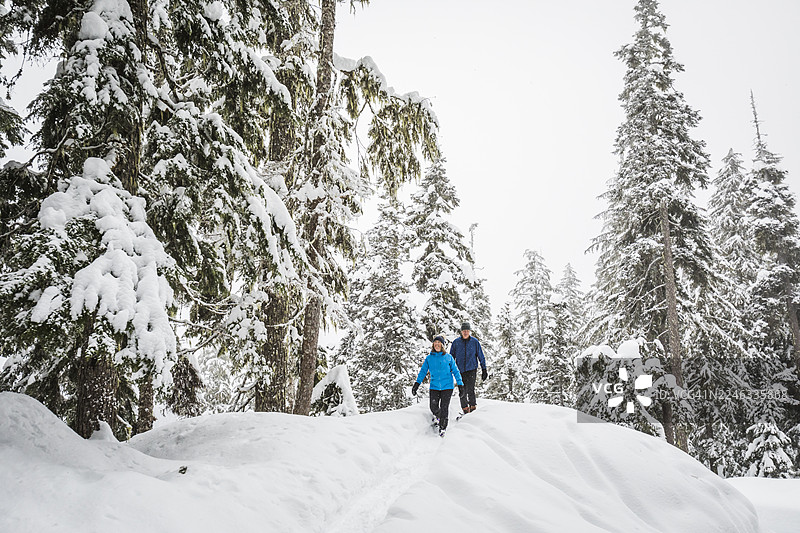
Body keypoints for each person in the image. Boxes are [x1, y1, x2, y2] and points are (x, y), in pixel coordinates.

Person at [412, 335, 463, 436]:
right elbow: (423, 371)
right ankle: (440, 418)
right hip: (434, 387)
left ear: (442, 345)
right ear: (433, 345)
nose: (437, 344)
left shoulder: (448, 357)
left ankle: (443, 427)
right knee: (433, 407)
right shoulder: (429, 358)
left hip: (447, 387)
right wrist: (416, 384)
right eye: (435, 343)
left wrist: (460, 385)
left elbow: (456, 371)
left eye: (439, 343)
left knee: (444, 407)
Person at [449, 321, 487, 414]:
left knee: (470, 390)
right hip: (460, 371)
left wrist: (484, 369)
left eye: (467, 330)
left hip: (471, 369)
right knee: (462, 390)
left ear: (469, 331)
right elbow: (451, 357)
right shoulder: (456, 342)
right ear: (461, 332)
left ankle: (473, 408)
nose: (465, 332)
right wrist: (449, 369)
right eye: (464, 330)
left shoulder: (474, 342)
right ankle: (465, 409)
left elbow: (481, 355)